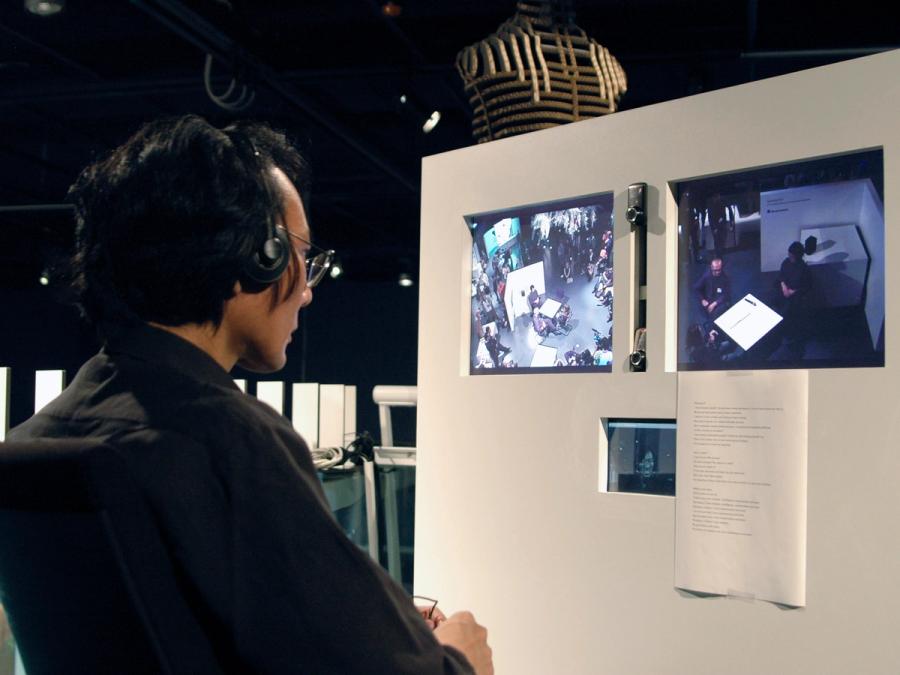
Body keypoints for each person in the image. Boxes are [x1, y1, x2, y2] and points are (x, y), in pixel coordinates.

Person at [8, 116, 492, 674]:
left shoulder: (39, 437)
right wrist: (458, 657)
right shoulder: (231, 440)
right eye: (302, 255)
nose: (307, 291)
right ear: (255, 256)